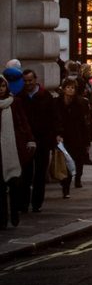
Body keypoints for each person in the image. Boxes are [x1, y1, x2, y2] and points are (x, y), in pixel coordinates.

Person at [17, 69, 58, 213]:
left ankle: (36, 203)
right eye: (25, 81)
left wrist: (52, 138)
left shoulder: (45, 96)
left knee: (40, 173)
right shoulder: (20, 97)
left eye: (30, 80)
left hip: (42, 140)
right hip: (26, 141)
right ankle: (23, 204)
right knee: (25, 174)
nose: (28, 83)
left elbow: (53, 119)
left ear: (36, 79)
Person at [0, 75, 33, 228]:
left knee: (14, 185)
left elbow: (23, 122)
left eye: (3, 86)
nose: (1, 89)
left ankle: (14, 214)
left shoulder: (15, 103)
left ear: (7, 87)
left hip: (13, 148)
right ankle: (2, 219)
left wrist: (29, 139)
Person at [54, 77, 89, 196]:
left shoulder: (80, 103)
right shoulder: (57, 102)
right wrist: (57, 133)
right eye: (68, 87)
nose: (70, 90)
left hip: (76, 136)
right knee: (65, 162)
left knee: (76, 159)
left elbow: (83, 123)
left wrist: (86, 141)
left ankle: (77, 177)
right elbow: (54, 119)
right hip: (63, 136)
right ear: (63, 89)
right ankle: (65, 186)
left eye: (72, 88)